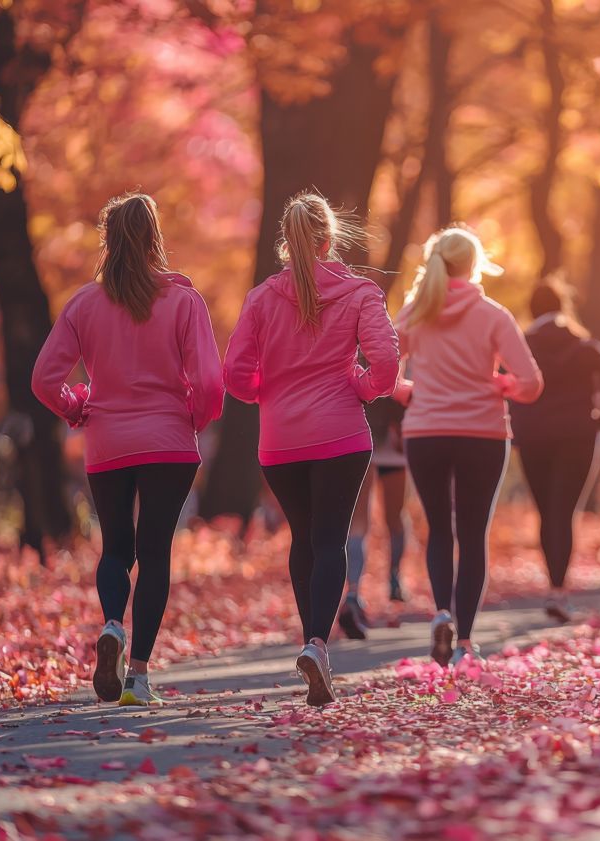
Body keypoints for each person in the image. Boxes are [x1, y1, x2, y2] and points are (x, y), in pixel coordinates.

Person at [32, 194, 223, 708]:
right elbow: (208, 381)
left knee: (116, 547)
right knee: (155, 550)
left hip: (108, 442)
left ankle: (113, 623)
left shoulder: (84, 304)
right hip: (168, 442)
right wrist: (194, 419)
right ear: (154, 237)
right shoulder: (184, 302)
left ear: (109, 240)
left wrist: (76, 408)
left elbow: (44, 379)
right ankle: (138, 675)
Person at [224, 192, 399, 706]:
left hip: (281, 441)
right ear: (329, 240)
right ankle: (318, 646)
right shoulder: (360, 291)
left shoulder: (260, 298)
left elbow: (234, 374)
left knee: (304, 538)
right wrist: (360, 388)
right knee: (331, 540)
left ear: (286, 242)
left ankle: (312, 642)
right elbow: (386, 364)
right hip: (342, 434)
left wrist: (269, 394)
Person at [394, 226, 542, 666]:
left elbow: (382, 371)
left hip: (425, 432)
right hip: (482, 432)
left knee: (439, 528)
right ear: (474, 265)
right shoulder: (494, 315)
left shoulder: (414, 312)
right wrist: (502, 384)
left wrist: (409, 393)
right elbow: (532, 383)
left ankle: (442, 613)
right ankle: (464, 643)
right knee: (472, 533)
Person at [511, 281, 600, 623]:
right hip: (578, 435)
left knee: (547, 511)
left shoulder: (523, 344)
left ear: (532, 309)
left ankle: (552, 585)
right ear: (562, 307)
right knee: (564, 511)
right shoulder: (582, 344)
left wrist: (515, 415)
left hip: (533, 436)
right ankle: (559, 590)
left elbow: (503, 376)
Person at [337, 399, 412, 639]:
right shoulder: (404, 359)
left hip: (371, 436)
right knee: (387, 517)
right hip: (384, 438)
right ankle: (385, 581)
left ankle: (358, 590)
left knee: (369, 519)